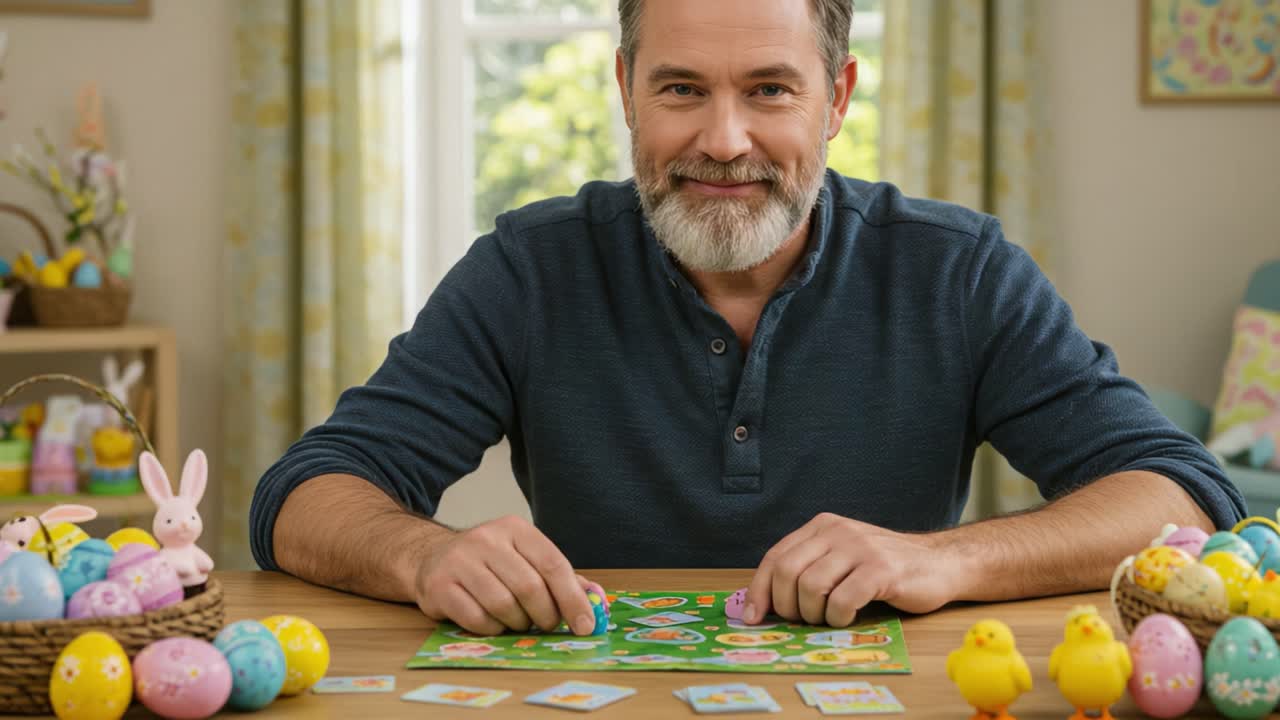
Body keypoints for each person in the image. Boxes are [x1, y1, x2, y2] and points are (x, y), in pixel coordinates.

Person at [249, 0, 1244, 637]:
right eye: (680, 89)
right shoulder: (528, 266)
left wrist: (942, 556)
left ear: (835, 99)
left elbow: (1182, 499)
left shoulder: (960, 269)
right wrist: (427, 554)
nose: (722, 141)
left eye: (768, 90)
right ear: (626, 94)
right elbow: (301, 498)